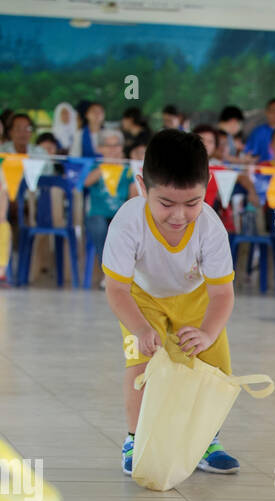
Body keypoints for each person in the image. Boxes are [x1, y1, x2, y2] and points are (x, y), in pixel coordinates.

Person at [101, 129, 238, 476]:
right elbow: (116, 289)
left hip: (195, 299)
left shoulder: (210, 227)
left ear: (207, 186)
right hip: (141, 300)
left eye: (192, 203)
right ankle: (136, 439)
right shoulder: (128, 221)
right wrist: (141, 328)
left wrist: (207, 334)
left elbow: (222, 294)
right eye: (166, 203)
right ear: (142, 187)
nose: (179, 216)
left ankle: (207, 441)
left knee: (214, 370)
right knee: (141, 365)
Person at [83, 129, 136, 287]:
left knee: (122, 231)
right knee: (100, 230)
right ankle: (108, 274)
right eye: (108, 146)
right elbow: (85, 182)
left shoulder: (128, 169)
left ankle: (123, 273)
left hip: (119, 213)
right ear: (100, 149)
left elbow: (134, 195)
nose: (113, 149)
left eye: (116, 145)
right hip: (97, 213)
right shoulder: (95, 166)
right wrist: (105, 168)